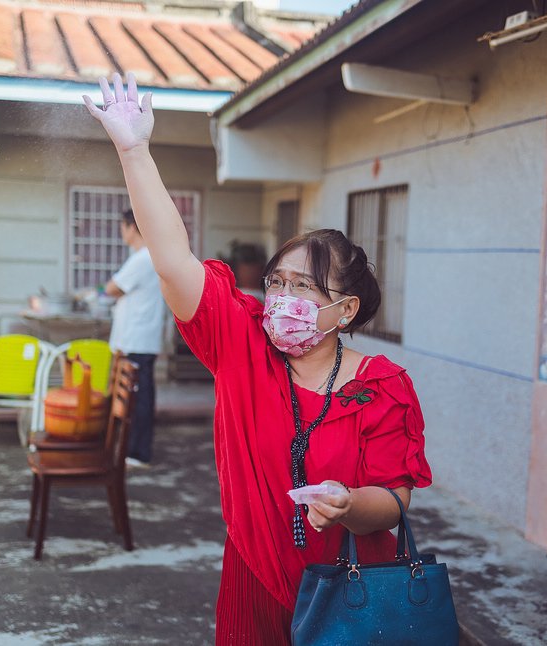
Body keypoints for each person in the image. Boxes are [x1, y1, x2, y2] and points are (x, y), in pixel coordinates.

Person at [84, 73, 432, 644]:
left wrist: (347, 505)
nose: (282, 300)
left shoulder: (383, 386)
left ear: (344, 311)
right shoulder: (243, 344)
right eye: (277, 282)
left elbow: (393, 501)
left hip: (352, 589)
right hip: (252, 582)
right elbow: (172, 261)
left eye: (303, 288)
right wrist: (135, 152)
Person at [105, 209, 166, 468]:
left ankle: (138, 453)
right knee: (136, 398)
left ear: (132, 227)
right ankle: (133, 450)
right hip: (139, 338)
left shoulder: (143, 258)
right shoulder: (147, 257)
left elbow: (112, 288)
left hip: (137, 340)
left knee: (137, 399)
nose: (122, 232)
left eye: (123, 226)